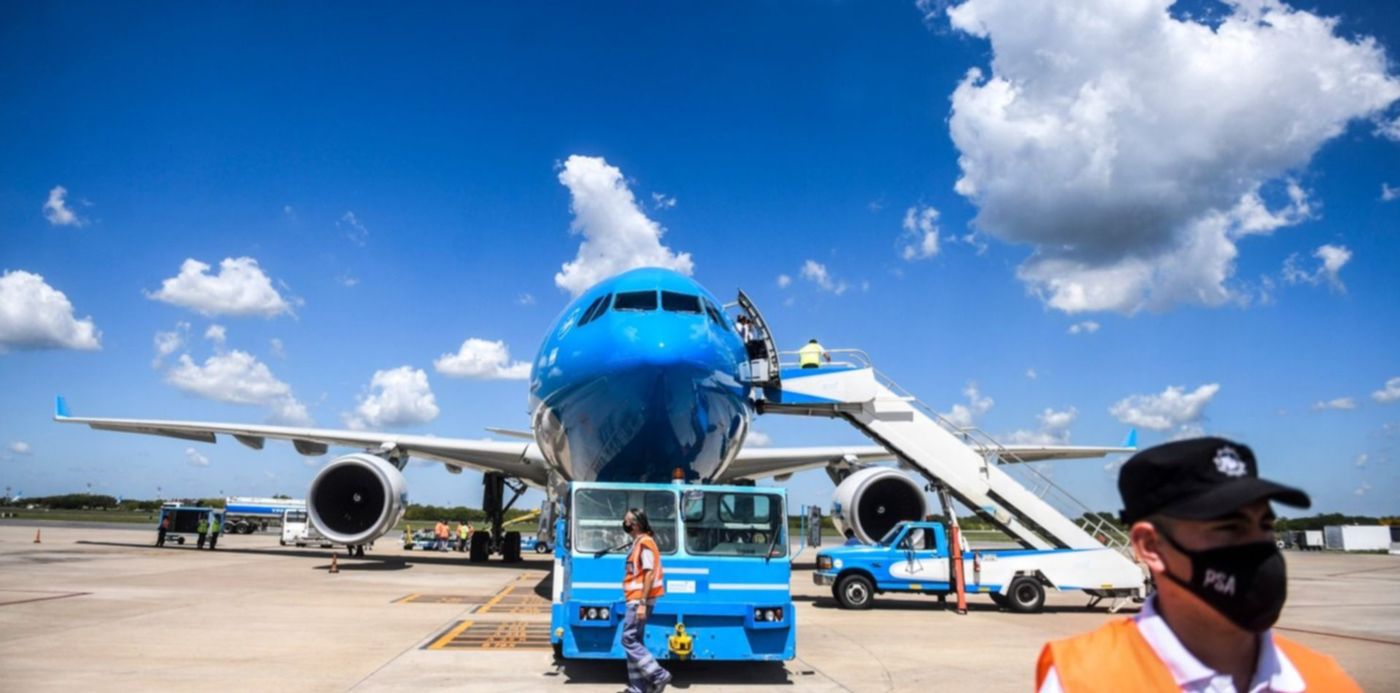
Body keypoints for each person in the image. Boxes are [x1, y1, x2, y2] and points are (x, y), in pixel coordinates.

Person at [1036, 437, 1360, 692]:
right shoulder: (1082, 681)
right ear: (1150, 547)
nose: (1258, 548)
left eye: (1265, 525)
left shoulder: (1327, 681)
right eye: (1229, 528)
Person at [620, 508, 671, 693]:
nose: (624, 524)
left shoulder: (645, 543)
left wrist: (641, 603)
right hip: (635, 600)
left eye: (627, 521)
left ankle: (658, 674)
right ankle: (638, 688)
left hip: (639, 602)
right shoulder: (639, 542)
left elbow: (649, 574)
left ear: (636, 524)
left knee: (628, 639)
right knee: (636, 642)